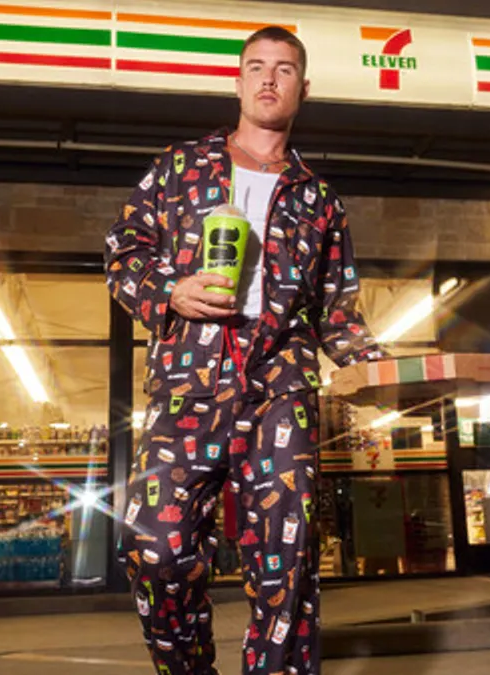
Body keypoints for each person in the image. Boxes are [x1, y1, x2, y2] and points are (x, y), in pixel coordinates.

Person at [105, 25, 384, 675]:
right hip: (188, 382)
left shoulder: (320, 200)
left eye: (283, 69)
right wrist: (170, 292)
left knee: (287, 568)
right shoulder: (180, 168)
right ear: (236, 81)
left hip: (282, 388)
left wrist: (376, 363)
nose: (268, 78)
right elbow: (123, 252)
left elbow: (339, 311)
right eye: (256, 66)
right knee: (155, 548)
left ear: (302, 89)